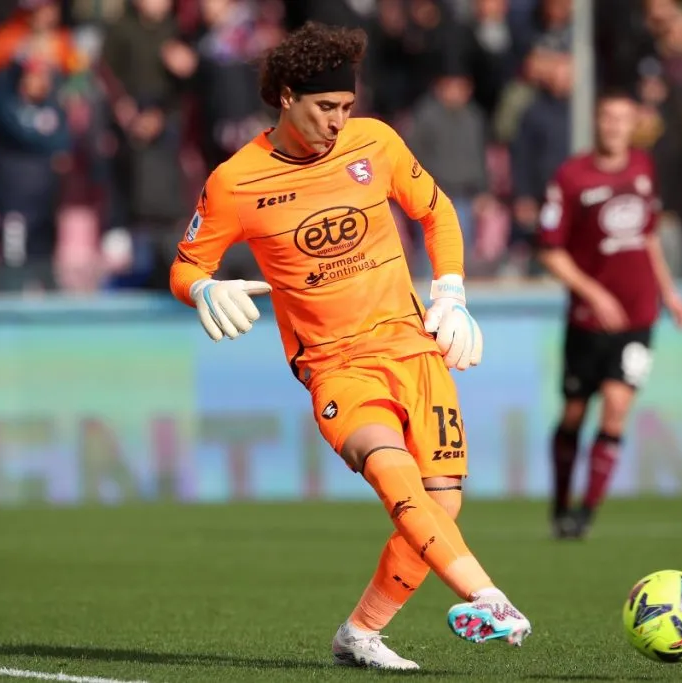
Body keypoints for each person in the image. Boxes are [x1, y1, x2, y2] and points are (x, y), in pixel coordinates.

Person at [168, 21, 531, 671]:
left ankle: (359, 634)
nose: (339, 121)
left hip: (413, 348)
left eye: (346, 107)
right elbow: (185, 263)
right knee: (393, 473)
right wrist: (201, 289)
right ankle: (487, 594)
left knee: (442, 500)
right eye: (325, 107)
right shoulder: (236, 181)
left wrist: (450, 293)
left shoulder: (376, 144)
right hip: (336, 365)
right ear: (285, 97)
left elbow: (437, 209)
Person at [536, 88, 682, 540]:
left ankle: (586, 514)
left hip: (640, 315)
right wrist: (594, 293)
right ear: (597, 122)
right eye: (607, 118)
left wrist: (670, 293)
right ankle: (561, 502)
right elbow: (549, 250)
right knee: (574, 414)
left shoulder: (644, 168)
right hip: (588, 320)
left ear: (632, 124)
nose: (615, 127)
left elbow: (649, 237)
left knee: (617, 408)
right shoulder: (571, 177)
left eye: (623, 119)